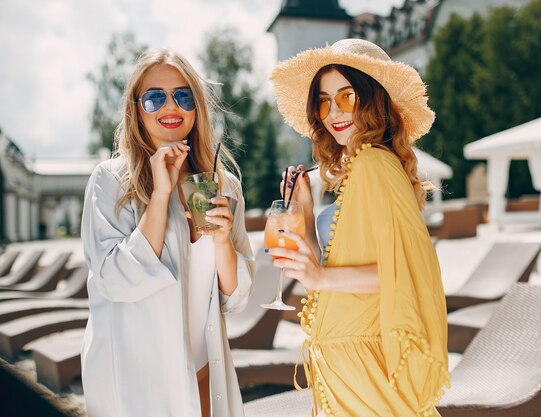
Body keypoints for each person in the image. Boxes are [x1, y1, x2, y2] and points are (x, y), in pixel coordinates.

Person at [269, 39, 449, 416]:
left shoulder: (374, 165)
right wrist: (303, 212)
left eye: (347, 97)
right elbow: (331, 273)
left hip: (366, 369)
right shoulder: (360, 170)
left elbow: (402, 274)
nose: (334, 111)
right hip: (345, 368)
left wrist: (318, 278)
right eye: (323, 100)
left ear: (373, 100)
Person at [81, 48, 254, 417]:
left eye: (183, 95)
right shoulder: (110, 180)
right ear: (136, 108)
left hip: (204, 372)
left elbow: (237, 299)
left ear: (197, 106)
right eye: (155, 97)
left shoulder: (224, 186)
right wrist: (160, 195)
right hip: (134, 382)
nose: (170, 107)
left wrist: (223, 242)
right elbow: (114, 280)